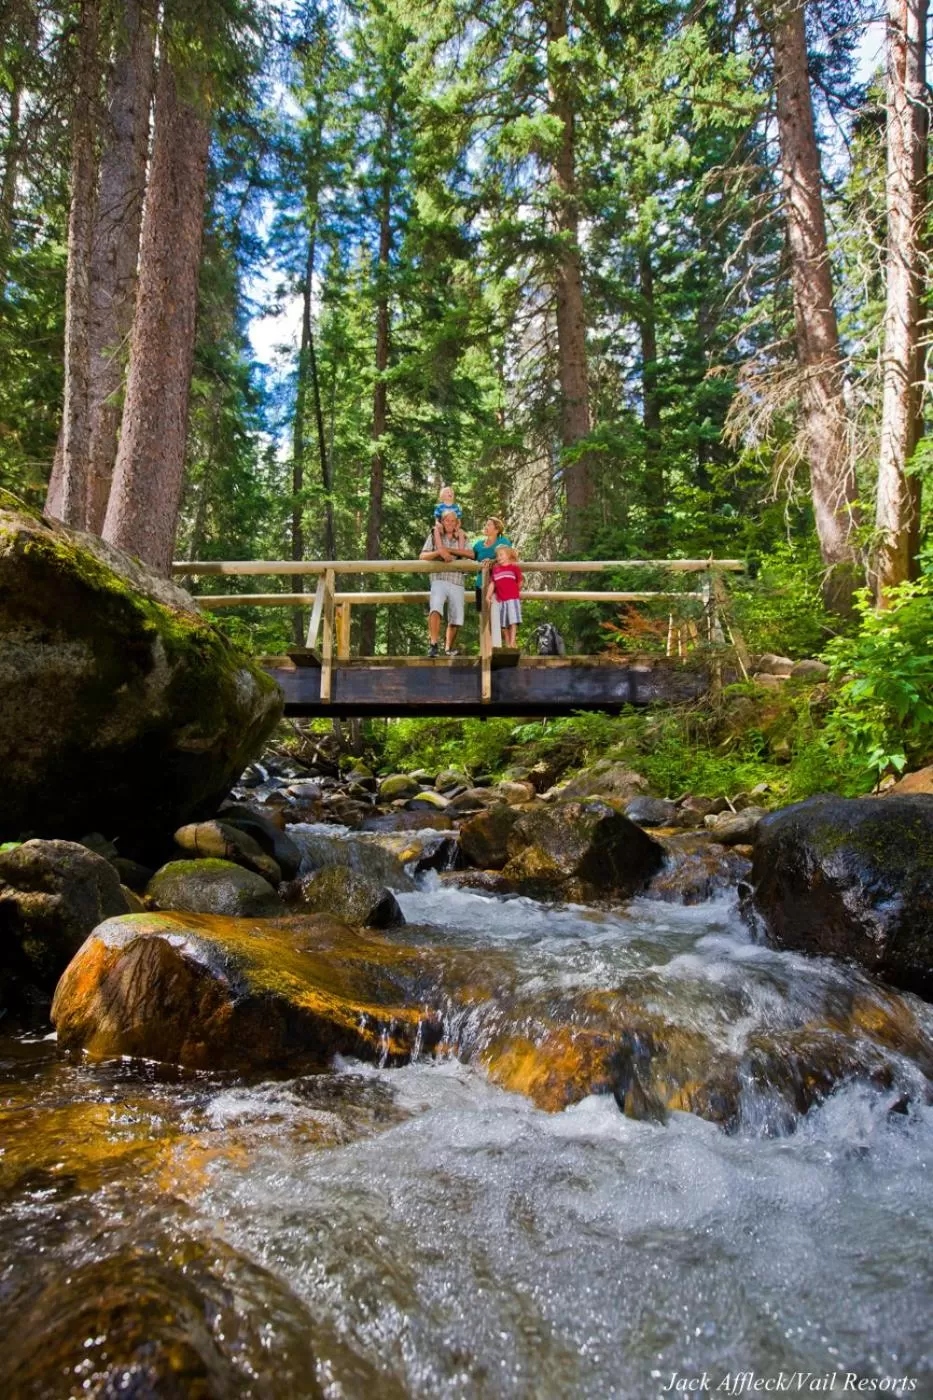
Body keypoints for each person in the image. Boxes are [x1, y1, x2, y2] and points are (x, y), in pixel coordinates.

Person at [420, 509, 474, 657]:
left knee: (456, 616)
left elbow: (471, 554)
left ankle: (449, 648)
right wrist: (439, 552)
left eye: (452, 521)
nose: (449, 523)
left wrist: (448, 550)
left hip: (457, 580)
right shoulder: (434, 536)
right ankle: (433, 644)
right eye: (447, 520)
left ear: (457, 523)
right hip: (439, 578)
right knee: (436, 607)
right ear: (442, 522)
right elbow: (423, 556)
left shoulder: (463, 537)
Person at [471, 516, 512, 615]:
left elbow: (511, 557)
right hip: (481, 584)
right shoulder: (478, 545)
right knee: (483, 616)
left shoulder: (503, 542)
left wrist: (493, 561)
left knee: (500, 618)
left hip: (499, 584)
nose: (485, 527)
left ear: (497, 529)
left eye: (489, 525)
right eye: (486, 524)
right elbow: (471, 559)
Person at [487, 544, 523, 648]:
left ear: (508, 555)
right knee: (503, 624)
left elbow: (520, 582)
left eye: (501, 555)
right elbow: (492, 584)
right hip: (501, 600)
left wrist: (515, 591)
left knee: (513, 621)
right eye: (497, 556)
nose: (498, 558)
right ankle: (507, 641)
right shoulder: (495, 569)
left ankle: (512, 642)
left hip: (513, 599)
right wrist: (488, 596)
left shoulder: (514, 568)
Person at [432, 484, 463, 551]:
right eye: (448, 492)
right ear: (442, 496)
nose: (450, 493)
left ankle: (461, 552)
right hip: (442, 527)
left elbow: (459, 521)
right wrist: (438, 524)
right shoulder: (439, 507)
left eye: (451, 492)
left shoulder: (456, 507)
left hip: (453, 527)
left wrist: (457, 528)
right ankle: (440, 549)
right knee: (435, 529)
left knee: (461, 532)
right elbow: (436, 520)